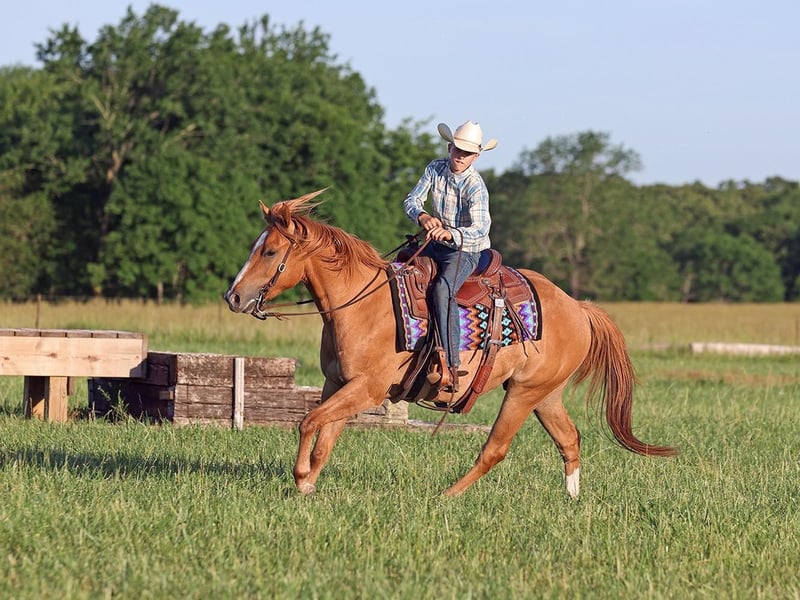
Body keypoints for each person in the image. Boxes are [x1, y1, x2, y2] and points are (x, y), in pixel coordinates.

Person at [403, 120, 498, 392]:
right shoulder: (435, 168)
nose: (460, 156)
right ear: (449, 148)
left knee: (444, 289)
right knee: (400, 268)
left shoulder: (476, 186)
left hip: (465, 250)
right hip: (435, 243)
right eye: (457, 150)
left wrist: (450, 233)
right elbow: (411, 200)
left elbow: (480, 229)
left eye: (467, 153)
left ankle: (451, 364)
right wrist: (423, 217)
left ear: (475, 157)